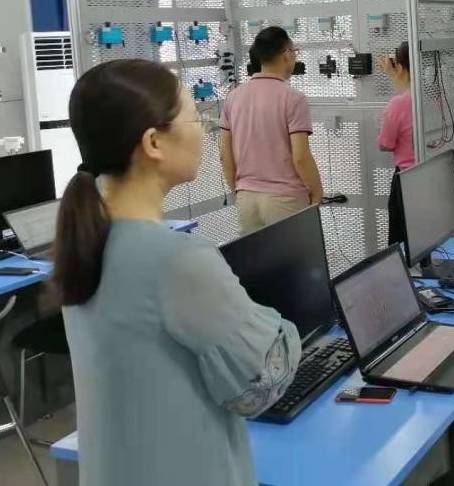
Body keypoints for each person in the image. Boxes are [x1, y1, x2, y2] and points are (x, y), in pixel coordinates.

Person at [54, 59, 300, 486]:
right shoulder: (175, 259)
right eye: (195, 118)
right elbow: (261, 384)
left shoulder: (86, 241)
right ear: (153, 143)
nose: (205, 129)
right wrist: (283, 326)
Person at [220, 26, 322, 235]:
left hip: (247, 198)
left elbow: (224, 154)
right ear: (286, 54)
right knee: (292, 257)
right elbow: (301, 157)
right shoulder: (293, 98)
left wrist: (238, 189)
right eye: (294, 51)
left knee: (257, 257)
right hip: (285, 200)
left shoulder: (233, 97)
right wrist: (317, 191)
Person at [378, 41, 416, 246]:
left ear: (400, 66)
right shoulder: (434, 97)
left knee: (402, 242)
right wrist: (395, 74)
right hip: (431, 175)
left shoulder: (397, 104)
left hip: (406, 179)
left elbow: (385, 144)